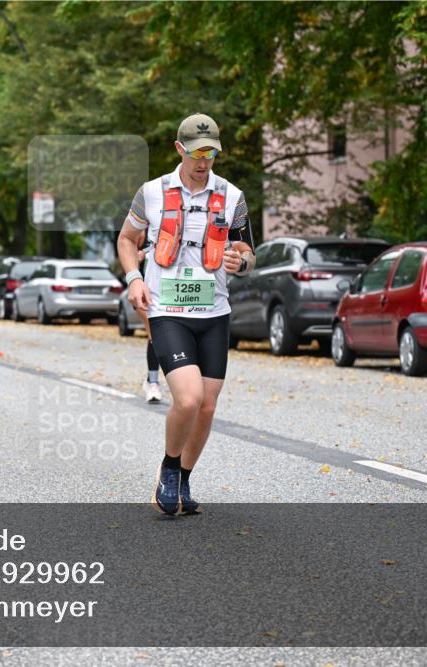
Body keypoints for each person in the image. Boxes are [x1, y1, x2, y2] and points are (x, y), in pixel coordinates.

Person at [117, 113, 256, 516]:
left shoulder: (232, 196)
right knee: (189, 398)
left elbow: (248, 253)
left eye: (211, 152)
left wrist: (239, 263)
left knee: (208, 406)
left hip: (214, 310)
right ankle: (170, 466)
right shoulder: (153, 192)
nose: (203, 160)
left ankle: (185, 478)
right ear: (179, 149)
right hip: (167, 309)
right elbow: (127, 240)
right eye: (196, 152)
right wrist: (133, 279)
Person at [134, 234, 164, 403]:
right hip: (144, 293)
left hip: (167, 291)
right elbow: (127, 249)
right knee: (154, 333)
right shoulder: (140, 226)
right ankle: (152, 382)